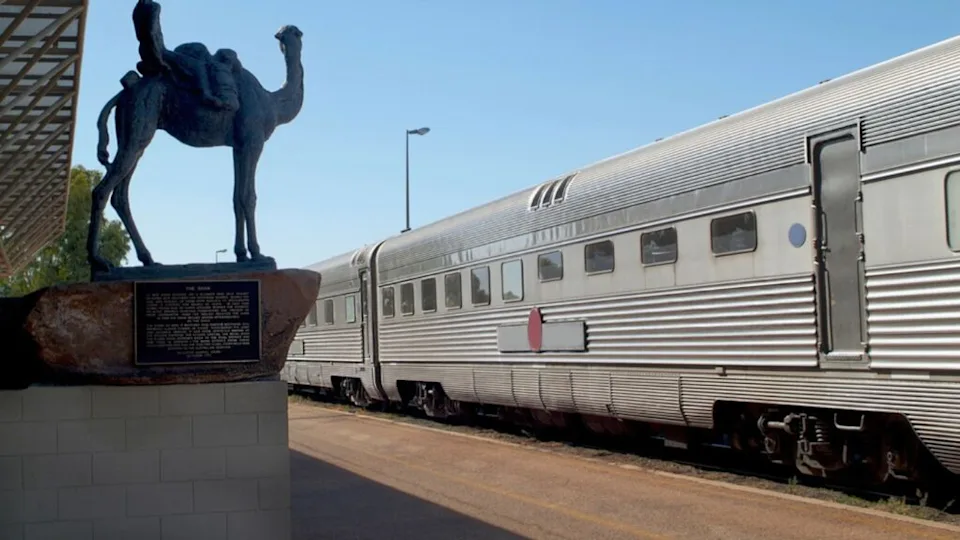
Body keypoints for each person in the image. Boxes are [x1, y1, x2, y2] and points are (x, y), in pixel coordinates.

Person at [131, 0, 239, 111]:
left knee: (198, 64)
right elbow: (154, 37)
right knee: (198, 66)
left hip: (154, 52)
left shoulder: (143, 10)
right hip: (158, 52)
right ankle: (205, 93)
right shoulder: (151, 9)